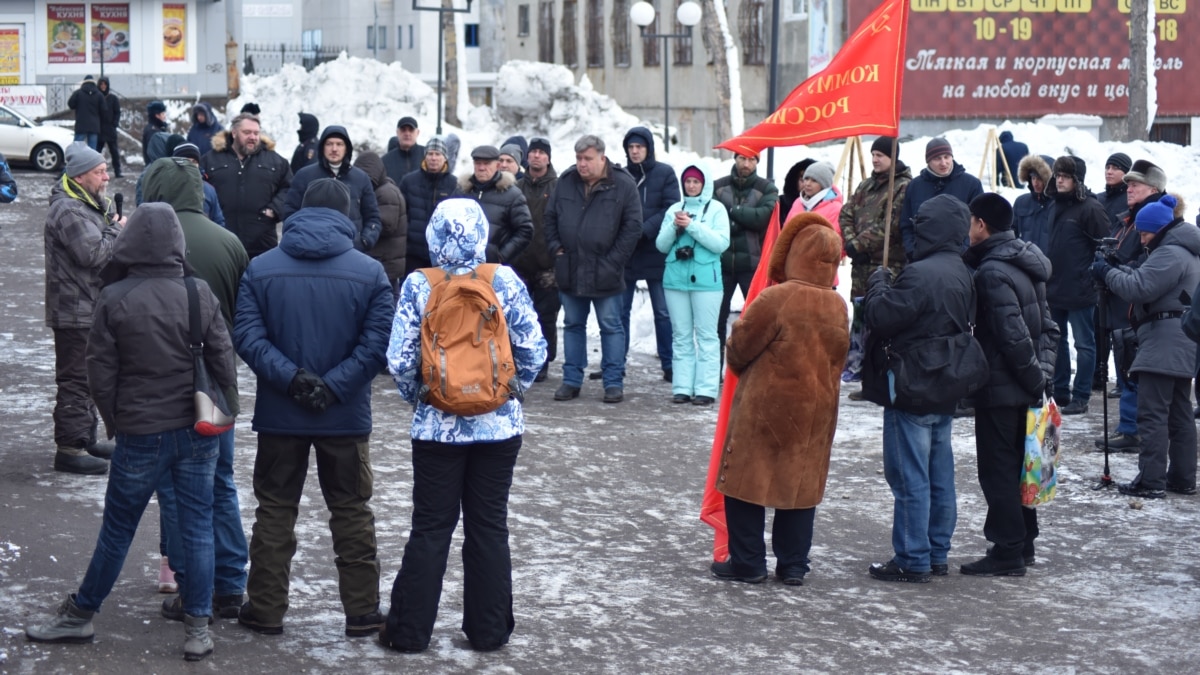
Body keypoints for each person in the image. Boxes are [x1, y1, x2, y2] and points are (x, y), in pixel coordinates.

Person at [24, 203, 236, 662]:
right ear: (177, 243)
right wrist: (225, 416)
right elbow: (223, 360)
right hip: (198, 430)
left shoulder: (115, 296)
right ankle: (198, 627)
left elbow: (100, 372)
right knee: (198, 526)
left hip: (141, 432)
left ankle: (80, 615)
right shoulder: (197, 292)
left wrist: (118, 422)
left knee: (119, 530)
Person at [380, 198, 547, 653]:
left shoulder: (420, 283)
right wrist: (510, 393)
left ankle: (409, 633)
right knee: (489, 525)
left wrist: (423, 397)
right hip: (499, 428)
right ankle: (489, 631)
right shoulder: (503, 279)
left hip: (437, 429)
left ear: (434, 234)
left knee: (431, 527)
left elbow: (399, 358)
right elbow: (534, 349)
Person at [232, 178, 393, 637]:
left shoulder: (262, 268)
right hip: (344, 416)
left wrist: (293, 379)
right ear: (347, 216)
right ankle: (362, 611)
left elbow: (247, 336)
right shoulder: (370, 271)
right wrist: (333, 386)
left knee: (275, 509)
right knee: (352, 510)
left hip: (281, 414)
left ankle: (265, 608)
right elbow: (377, 344)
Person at [142, 155, 251, 622]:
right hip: (218, 383)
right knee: (221, 483)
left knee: (174, 486)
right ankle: (230, 584)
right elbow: (245, 314)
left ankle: (191, 586)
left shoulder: (147, 242)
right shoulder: (229, 242)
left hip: (164, 385)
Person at [711, 213, 848, 585]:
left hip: (767, 407)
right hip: (816, 409)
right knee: (800, 484)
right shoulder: (838, 306)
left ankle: (748, 561)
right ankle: (793, 565)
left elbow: (740, 350)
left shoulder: (777, 297)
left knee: (747, 481)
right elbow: (839, 360)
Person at [862, 194, 975, 583]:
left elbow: (882, 316)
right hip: (944, 383)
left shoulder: (921, 273)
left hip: (912, 383)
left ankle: (913, 557)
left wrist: (877, 286)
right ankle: (936, 551)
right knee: (939, 473)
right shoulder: (961, 269)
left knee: (910, 475)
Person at [961, 193, 1058, 577]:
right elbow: (1049, 329)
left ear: (982, 225)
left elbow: (1012, 337)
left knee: (999, 470)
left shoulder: (992, 271)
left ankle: (1007, 550)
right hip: (1027, 385)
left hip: (1003, 387)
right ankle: (1024, 542)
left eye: (971, 222)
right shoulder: (1025, 261)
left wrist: (1035, 378)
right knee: (1025, 466)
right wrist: (1043, 377)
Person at [1094, 194, 1200, 498]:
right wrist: (1119, 267)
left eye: (1144, 233)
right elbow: (1147, 280)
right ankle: (1180, 478)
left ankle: (1151, 481)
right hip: (1180, 339)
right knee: (1179, 413)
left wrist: (1107, 272)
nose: (1141, 240)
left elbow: (1139, 288)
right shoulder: (1184, 250)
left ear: (1160, 229)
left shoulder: (1170, 253)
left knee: (1152, 413)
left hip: (1165, 340)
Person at [43, 144, 124, 475]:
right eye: (99, 171)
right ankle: (70, 448)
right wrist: (118, 228)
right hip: (75, 309)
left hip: (86, 306)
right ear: (79, 176)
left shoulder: (86, 204)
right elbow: (92, 254)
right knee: (76, 378)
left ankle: (85, 437)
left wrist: (110, 222)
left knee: (89, 376)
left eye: (105, 170)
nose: (106, 177)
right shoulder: (69, 211)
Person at [544, 134, 642, 403]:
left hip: (606, 270)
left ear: (602, 157)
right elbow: (549, 218)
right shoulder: (565, 182)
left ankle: (613, 382)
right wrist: (556, 249)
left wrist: (613, 261)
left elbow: (632, 227)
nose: (582, 164)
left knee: (611, 326)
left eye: (587, 159)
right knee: (573, 324)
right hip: (571, 268)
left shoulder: (623, 184)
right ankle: (571, 380)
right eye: (578, 159)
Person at [1097, 159, 1170, 447]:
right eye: (1127, 184)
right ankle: (1128, 425)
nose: (1128, 188)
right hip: (1121, 305)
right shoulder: (1126, 219)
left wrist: (1116, 267)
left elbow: (1151, 263)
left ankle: (1134, 430)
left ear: (1153, 189)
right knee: (1126, 366)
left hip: (1140, 309)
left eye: (1135, 184)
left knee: (1135, 369)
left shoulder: (1157, 220)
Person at [840, 137, 911, 392]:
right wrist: (850, 242)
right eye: (873, 154)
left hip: (886, 267)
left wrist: (858, 244)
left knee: (880, 321)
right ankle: (856, 366)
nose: (875, 159)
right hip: (861, 268)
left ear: (893, 157)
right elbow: (846, 213)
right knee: (859, 317)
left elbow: (890, 226)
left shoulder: (902, 187)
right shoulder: (866, 185)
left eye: (881, 154)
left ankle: (877, 373)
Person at [655, 164, 729, 406]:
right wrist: (675, 226)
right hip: (675, 280)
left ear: (705, 183)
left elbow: (720, 244)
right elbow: (661, 245)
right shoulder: (674, 210)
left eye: (696, 181)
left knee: (707, 336)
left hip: (707, 282)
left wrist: (693, 226)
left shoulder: (717, 209)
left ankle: (706, 389)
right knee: (681, 336)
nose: (691, 186)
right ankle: (682, 387)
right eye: (687, 181)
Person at [1044, 156, 1109, 415]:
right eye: (1058, 174)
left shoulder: (1091, 208)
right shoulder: (1055, 205)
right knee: (1057, 341)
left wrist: (1092, 276)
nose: (1060, 179)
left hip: (1081, 288)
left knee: (1084, 343)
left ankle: (1081, 395)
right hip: (1055, 286)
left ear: (1077, 180)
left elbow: (1104, 246)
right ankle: (1061, 390)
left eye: (1066, 176)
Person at [615, 126, 679, 383]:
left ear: (648, 148)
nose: (634, 151)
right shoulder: (620, 175)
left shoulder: (664, 173)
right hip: (627, 253)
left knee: (663, 312)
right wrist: (629, 232)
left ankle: (669, 363)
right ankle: (616, 364)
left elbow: (671, 206)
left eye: (639, 147)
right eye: (631, 147)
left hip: (656, 251)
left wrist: (645, 229)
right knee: (621, 311)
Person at [713, 151, 779, 370]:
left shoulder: (767, 188)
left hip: (752, 265)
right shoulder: (718, 186)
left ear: (757, 162)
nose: (746, 163)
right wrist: (744, 216)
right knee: (716, 320)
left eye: (751, 159)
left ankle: (753, 369)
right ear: (735, 159)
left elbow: (762, 218)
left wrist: (731, 211)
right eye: (742, 158)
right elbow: (713, 216)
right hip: (720, 264)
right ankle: (714, 370)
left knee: (755, 321)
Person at [201, 113, 293, 259]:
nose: (253, 137)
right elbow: (199, 189)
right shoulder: (211, 160)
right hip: (221, 243)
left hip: (262, 245)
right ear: (234, 133)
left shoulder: (275, 161)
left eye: (256, 133)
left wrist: (275, 209)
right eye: (247, 132)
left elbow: (289, 188)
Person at [283, 126, 381, 252]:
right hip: (310, 249)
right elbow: (290, 213)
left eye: (339, 144)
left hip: (351, 250)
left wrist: (365, 241)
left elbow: (373, 217)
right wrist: (299, 239)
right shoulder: (304, 175)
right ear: (322, 146)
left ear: (347, 148)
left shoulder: (361, 178)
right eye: (329, 144)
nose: (334, 149)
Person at [513, 136, 561, 383]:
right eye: (533, 152)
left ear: (548, 157)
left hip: (547, 265)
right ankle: (521, 358)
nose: (537, 156)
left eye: (542, 152)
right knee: (519, 316)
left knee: (546, 316)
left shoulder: (557, 186)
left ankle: (544, 361)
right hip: (520, 264)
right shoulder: (517, 187)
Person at [899, 137, 983, 258]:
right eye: (937, 158)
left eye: (946, 157)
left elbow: (978, 223)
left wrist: (965, 251)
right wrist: (912, 250)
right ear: (928, 161)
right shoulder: (915, 186)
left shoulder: (971, 185)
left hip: (961, 259)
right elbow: (906, 224)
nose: (943, 163)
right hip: (922, 259)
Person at [1093, 153, 1132, 394]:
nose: (1109, 171)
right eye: (1107, 166)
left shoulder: (1129, 201)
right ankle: (1099, 374)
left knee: (1120, 329)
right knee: (1099, 326)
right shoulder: (1098, 199)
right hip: (1098, 267)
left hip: (1121, 268)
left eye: (1116, 168)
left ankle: (1122, 376)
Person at [454, 144, 533, 264]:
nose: (481, 168)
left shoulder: (512, 195)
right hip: (460, 264)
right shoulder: (461, 191)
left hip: (493, 268)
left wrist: (500, 256)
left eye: (486, 164)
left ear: (497, 165)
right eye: (478, 163)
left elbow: (525, 230)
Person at [353, 150, 408, 301]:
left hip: (385, 262)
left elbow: (386, 225)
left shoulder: (386, 193)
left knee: (387, 302)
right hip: (384, 260)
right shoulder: (382, 189)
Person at [399, 136, 457, 276]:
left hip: (443, 255)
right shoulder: (409, 181)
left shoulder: (454, 184)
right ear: (425, 157)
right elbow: (401, 214)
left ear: (445, 158)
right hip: (413, 253)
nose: (433, 158)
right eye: (430, 154)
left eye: (438, 154)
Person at [1013, 154, 1054, 253]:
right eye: (1033, 178)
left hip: (1049, 264)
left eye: (1039, 178)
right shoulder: (1021, 202)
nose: (1035, 183)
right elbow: (1011, 234)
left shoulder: (1057, 205)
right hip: (1023, 261)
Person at [382, 116, 424, 185]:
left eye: (411, 130)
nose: (407, 134)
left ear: (417, 133)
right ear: (397, 132)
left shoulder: (428, 156)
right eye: (403, 130)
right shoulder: (385, 161)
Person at [95, 77, 122, 178]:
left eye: (105, 84)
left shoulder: (113, 98)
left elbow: (117, 112)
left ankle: (117, 171)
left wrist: (115, 123)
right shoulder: (97, 97)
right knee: (97, 152)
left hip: (110, 129)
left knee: (114, 151)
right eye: (101, 84)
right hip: (100, 128)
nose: (103, 86)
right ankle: (95, 171)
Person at [776, 158, 816, 225]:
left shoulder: (828, 204)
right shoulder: (782, 204)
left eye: (814, 180)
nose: (807, 184)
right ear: (794, 180)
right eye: (803, 179)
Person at [67, 75, 103, 150]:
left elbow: (71, 105)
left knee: (77, 148)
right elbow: (104, 109)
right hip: (94, 126)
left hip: (81, 125)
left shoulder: (78, 93)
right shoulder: (99, 94)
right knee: (92, 150)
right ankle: (91, 161)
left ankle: (77, 161)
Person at [142, 100, 169, 166]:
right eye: (163, 114)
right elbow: (156, 153)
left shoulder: (157, 128)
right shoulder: (153, 131)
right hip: (157, 168)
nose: (164, 116)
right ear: (157, 115)